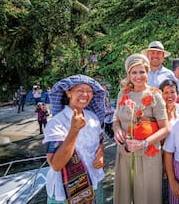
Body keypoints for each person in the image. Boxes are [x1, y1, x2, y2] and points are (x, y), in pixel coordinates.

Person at [113, 53, 170, 204]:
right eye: (134, 72)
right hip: (124, 153)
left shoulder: (155, 95)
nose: (138, 76)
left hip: (148, 154)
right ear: (128, 74)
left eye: (142, 72)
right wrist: (116, 129)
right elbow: (116, 119)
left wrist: (143, 143)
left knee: (146, 197)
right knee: (124, 195)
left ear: (147, 72)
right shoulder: (122, 94)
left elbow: (165, 129)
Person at [42, 74, 106, 204]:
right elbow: (55, 165)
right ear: (68, 93)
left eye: (89, 91)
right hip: (66, 190)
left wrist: (101, 154)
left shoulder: (93, 117)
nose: (85, 94)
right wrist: (74, 130)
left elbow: (99, 141)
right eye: (80, 90)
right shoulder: (56, 123)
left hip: (95, 180)